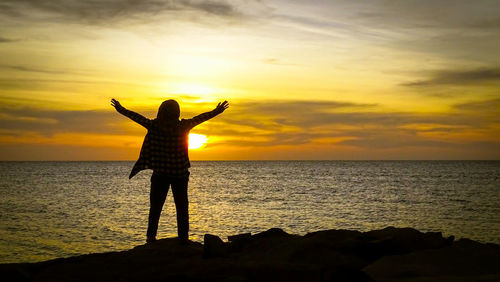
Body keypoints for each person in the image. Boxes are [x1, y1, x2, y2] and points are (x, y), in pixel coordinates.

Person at [111, 98, 229, 244]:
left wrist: (121, 109)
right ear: (177, 112)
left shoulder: (154, 125)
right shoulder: (183, 126)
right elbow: (201, 118)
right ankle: (183, 238)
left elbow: (136, 117)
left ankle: (151, 237)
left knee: (156, 207)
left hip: (160, 174)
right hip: (180, 174)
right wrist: (217, 111)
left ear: (161, 112)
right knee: (182, 207)